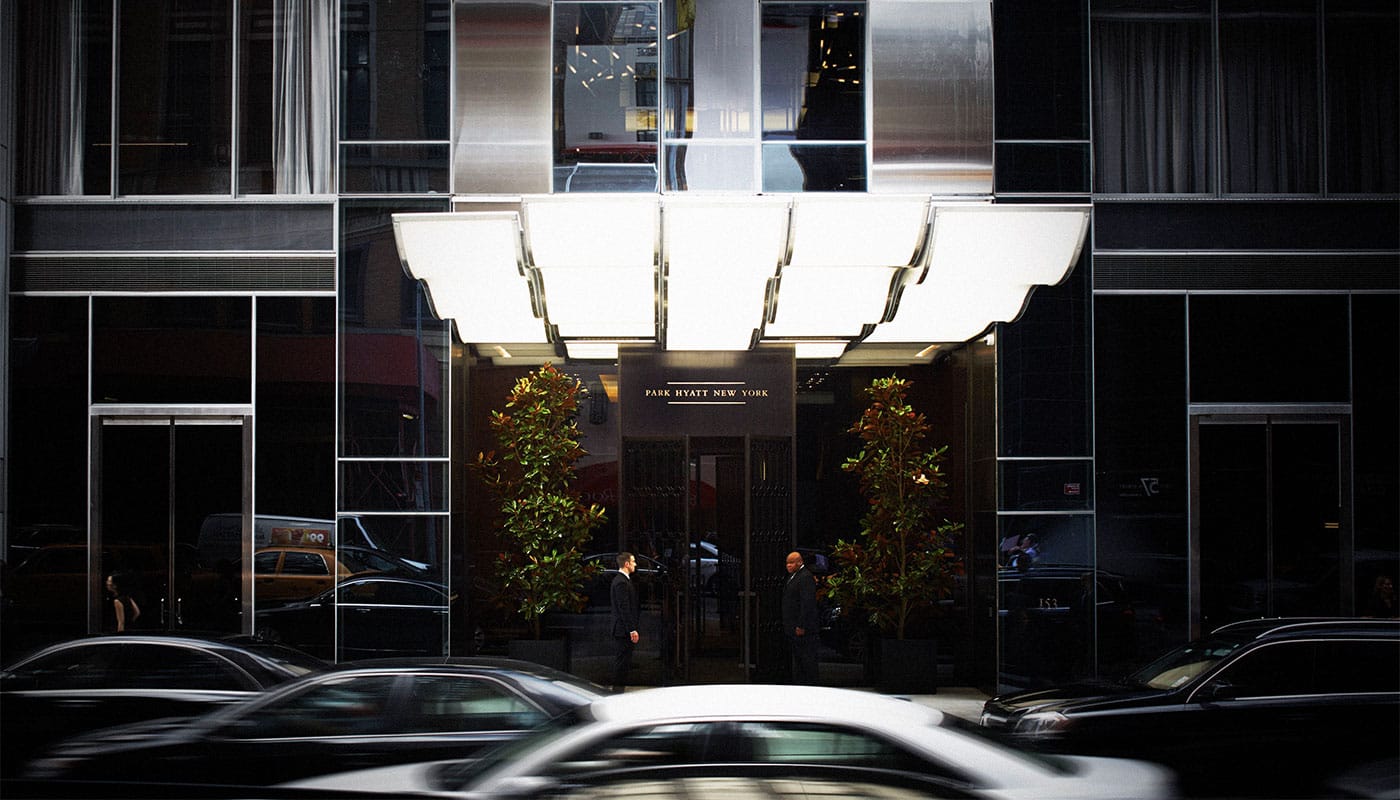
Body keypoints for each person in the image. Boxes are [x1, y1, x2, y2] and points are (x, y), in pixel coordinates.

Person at [782, 551, 819, 684]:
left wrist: (801, 625)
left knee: (806, 658)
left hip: (802, 627)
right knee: (799, 657)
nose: (789, 566)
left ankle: (810, 684)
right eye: (787, 563)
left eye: (791, 563)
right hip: (793, 625)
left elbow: (807, 603)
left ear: (800, 562)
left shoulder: (805, 577)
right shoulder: (794, 576)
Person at [609, 552, 640, 693]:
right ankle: (617, 691)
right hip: (622, 630)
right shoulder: (621, 582)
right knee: (622, 662)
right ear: (626, 564)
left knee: (623, 661)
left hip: (623, 629)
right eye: (633, 561)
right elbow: (624, 608)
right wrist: (631, 629)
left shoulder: (622, 580)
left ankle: (618, 690)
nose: (635, 564)